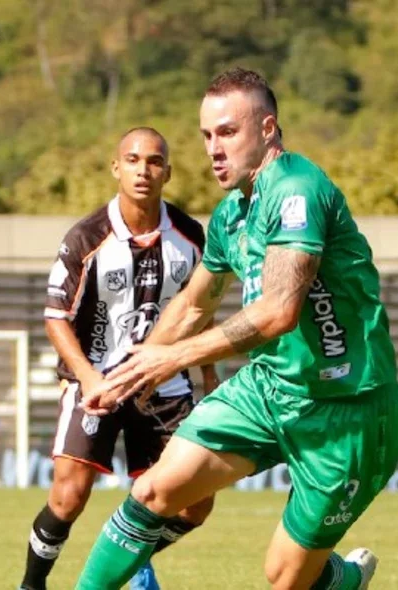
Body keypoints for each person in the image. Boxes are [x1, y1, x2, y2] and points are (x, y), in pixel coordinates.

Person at [76, 67, 395, 590]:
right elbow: (192, 305)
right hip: (268, 389)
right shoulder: (231, 215)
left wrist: (174, 359)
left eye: (227, 132)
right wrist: (133, 368)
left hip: (346, 408)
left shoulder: (297, 190)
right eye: (206, 135)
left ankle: (344, 578)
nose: (213, 149)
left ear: (267, 129)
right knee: (153, 491)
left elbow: (278, 312)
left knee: (285, 576)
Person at [20, 127, 219, 590]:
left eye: (154, 161)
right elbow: (55, 317)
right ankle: (31, 585)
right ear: (116, 168)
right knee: (68, 498)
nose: (143, 170)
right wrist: (88, 378)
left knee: (196, 504)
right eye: (132, 160)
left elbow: (202, 308)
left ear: (168, 172)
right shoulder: (85, 238)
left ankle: (128, 553)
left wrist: (210, 376)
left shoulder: (191, 236)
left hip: (164, 385)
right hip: (98, 380)